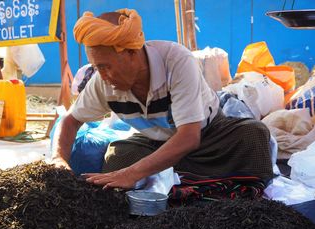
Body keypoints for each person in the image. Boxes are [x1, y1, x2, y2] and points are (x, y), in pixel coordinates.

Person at [51, 9, 273, 200]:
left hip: (208, 136)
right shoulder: (103, 82)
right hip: (155, 143)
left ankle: (174, 178)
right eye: (97, 67)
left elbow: (189, 137)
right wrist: (58, 158)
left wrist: (132, 174)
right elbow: (70, 121)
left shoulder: (176, 60)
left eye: (106, 66)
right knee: (117, 159)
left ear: (132, 52)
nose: (103, 75)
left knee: (253, 134)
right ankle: (179, 177)